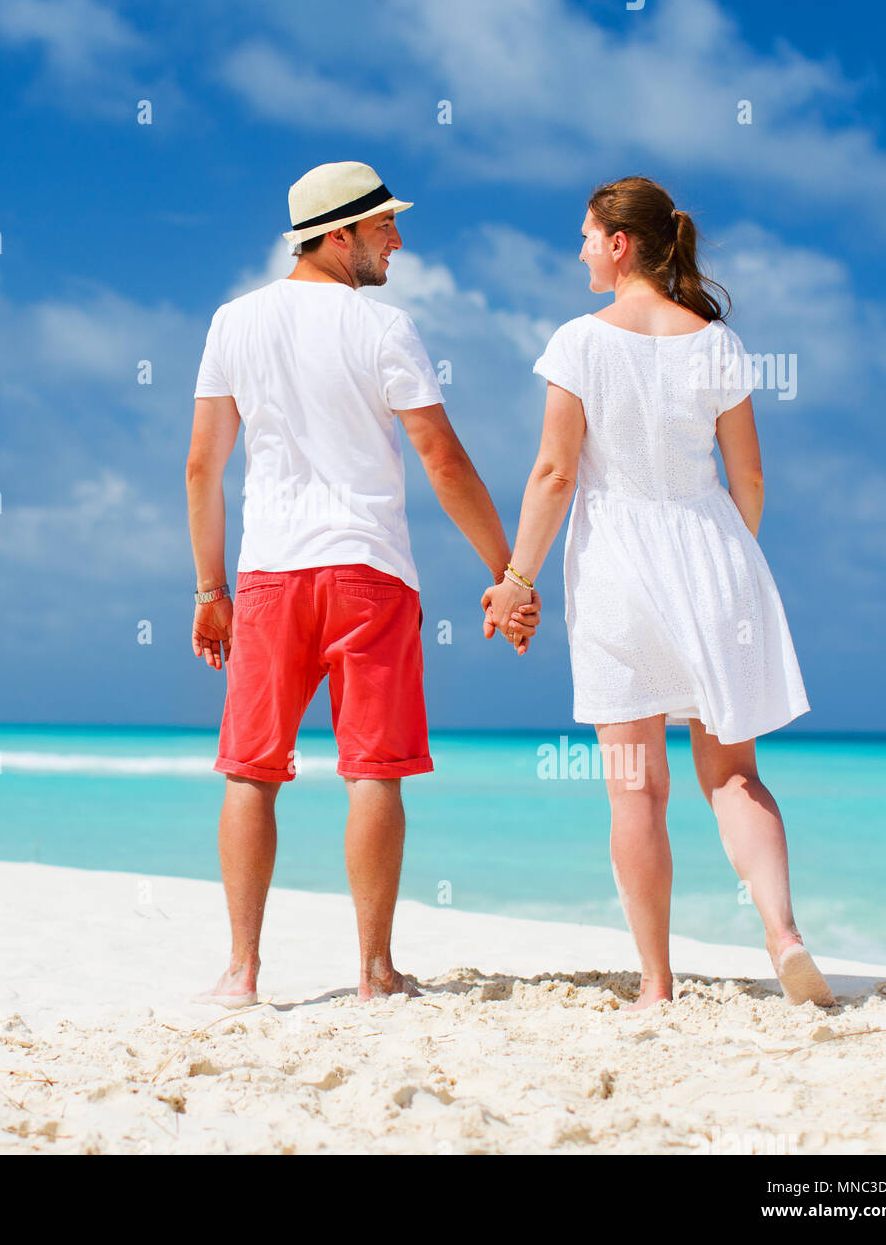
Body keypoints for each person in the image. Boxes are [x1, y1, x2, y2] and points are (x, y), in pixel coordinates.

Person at [186, 161, 540, 1005]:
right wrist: (509, 572)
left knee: (250, 773)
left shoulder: (233, 322)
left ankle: (241, 972)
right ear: (340, 233)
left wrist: (209, 591)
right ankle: (376, 972)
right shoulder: (384, 328)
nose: (398, 242)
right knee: (373, 772)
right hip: (369, 573)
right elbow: (442, 459)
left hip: (269, 575)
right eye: (385, 227)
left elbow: (203, 466)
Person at [484, 175, 834, 1009]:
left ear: (620, 243)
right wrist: (726, 564)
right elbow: (747, 476)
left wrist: (516, 580)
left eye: (584, 236)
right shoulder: (716, 343)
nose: (577, 251)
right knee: (735, 777)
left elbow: (555, 472)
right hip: (713, 553)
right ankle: (784, 933)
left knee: (636, 786)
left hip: (617, 567)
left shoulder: (579, 341)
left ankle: (656, 981)